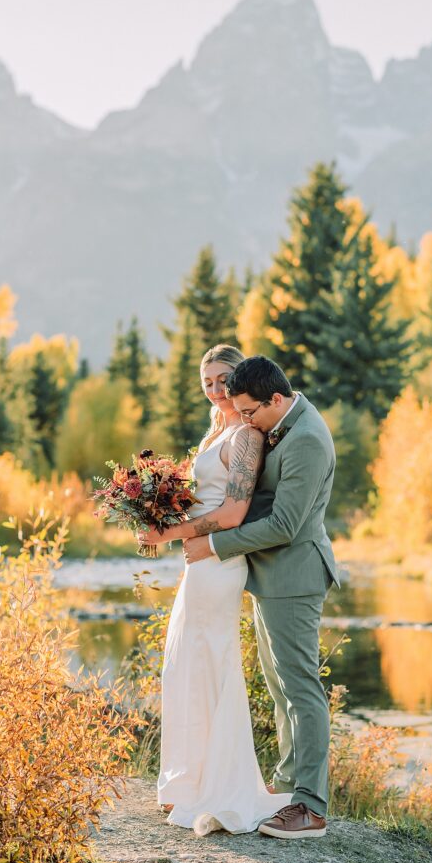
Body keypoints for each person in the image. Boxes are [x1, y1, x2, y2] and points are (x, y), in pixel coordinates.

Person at [138, 344, 291, 836]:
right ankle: (187, 784)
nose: (216, 389)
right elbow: (201, 497)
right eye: (207, 382)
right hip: (200, 563)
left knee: (211, 662)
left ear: (241, 377)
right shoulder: (217, 429)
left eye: (223, 379)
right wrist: (155, 509)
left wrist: (173, 533)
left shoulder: (247, 436)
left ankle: (218, 787)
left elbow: (232, 515)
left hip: (220, 562)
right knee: (185, 663)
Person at [183, 355, 339, 840]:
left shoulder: (308, 440)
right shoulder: (282, 423)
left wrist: (211, 543)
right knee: (279, 688)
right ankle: (289, 786)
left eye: (249, 413)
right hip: (271, 576)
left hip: (294, 576)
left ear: (276, 398)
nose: (244, 422)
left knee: (301, 688)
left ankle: (311, 808)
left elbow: (285, 525)